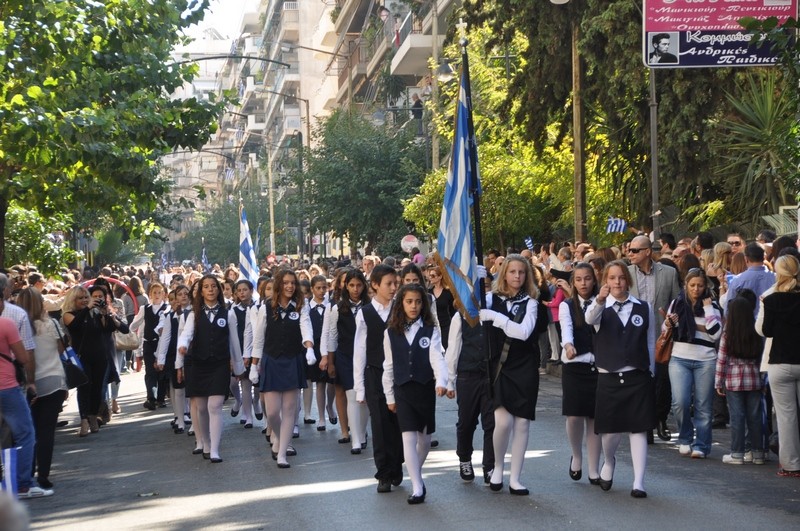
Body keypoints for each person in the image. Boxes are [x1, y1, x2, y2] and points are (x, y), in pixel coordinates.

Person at [585, 260, 656, 498]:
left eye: (622, 277)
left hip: (637, 375)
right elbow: (589, 320)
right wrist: (600, 300)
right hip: (609, 377)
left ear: (628, 280)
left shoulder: (643, 307)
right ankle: (609, 461)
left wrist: (651, 371)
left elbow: (649, 341)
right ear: (605, 281)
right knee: (611, 433)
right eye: (612, 277)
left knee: (639, 430)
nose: (617, 282)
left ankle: (639, 481)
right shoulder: (599, 307)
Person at [478, 254, 546, 496]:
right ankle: (498, 467)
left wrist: (495, 318)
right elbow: (466, 312)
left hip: (525, 366)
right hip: (500, 366)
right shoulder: (488, 299)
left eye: (522, 272)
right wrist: (472, 282)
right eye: (512, 272)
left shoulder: (532, 303)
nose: (517, 276)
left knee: (522, 424)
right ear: (503, 273)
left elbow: (523, 332)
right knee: (503, 422)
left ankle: (516, 478)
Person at [382, 283, 448, 504]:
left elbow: (437, 357)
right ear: (401, 303)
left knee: (425, 440)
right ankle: (417, 487)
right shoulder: (390, 332)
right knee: (408, 437)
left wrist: (442, 381)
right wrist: (389, 396)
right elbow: (388, 367)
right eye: (409, 301)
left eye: (418, 302)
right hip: (402, 389)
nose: (414, 306)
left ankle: (414, 472)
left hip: (424, 388)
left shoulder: (431, 330)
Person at [177, 275, 245, 463]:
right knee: (201, 408)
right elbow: (186, 334)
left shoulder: (228, 313)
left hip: (219, 364)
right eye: (206, 287)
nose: (210, 289)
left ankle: (215, 449)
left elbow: (234, 343)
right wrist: (182, 346)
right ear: (201, 291)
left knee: (214, 406)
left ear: (219, 289)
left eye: (214, 286)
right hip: (199, 364)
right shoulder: (194, 314)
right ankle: (205, 442)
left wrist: (238, 368)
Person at [250, 269, 315, 468]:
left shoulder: (300, 307)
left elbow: (306, 328)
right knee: (271, 413)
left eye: (292, 283)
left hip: (292, 359)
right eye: (285, 283)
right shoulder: (266, 308)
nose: (289, 286)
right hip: (272, 360)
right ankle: (278, 438)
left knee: (289, 410)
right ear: (279, 285)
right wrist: (254, 365)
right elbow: (259, 339)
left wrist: (309, 347)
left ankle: (282, 453)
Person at [663, 268, 723, 458]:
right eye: (692, 285)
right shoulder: (677, 303)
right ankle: (685, 438)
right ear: (685, 285)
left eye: (700, 285)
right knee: (680, 402)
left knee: (703, 406)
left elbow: (715, 334)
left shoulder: (712, 305)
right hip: (680, 357)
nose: (696, 289)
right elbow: (665, 329)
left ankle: (702, 445)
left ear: (705, 286)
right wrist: (669, 322)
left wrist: (707, 309)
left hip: (705, 359)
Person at [353, 264, 402, 493]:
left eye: (395, 283)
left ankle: (397, 463)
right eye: (388, 284)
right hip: (375, 372)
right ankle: (383, 472)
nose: (393, 288)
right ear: (375, 285)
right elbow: (360, 349)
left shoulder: (401, 309)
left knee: (398, 422)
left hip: (399, 374)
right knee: (380, 423)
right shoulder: (365, 313)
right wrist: (359, 387)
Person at [627, 235, 680, 442]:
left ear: (647, 251)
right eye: (629, 250)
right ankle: (644, 424)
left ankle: (660, 418)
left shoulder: (668, 273)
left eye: (634, 250)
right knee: (639, 380)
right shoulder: (626, 273)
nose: (630, 254)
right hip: (634, 335)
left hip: (662, 335)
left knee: (662, 380)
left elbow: (676, 302)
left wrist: (672, 319)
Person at [0, 298, 52, 499]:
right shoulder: (6, 324)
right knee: (25, 433)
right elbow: (23, 357)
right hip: (6, 386)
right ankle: (23, 484)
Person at [17, 288, 68, 493]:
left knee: (30, 432)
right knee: (47, 431)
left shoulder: (19, 327)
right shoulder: (52, 324)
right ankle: (44, 474)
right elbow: (62, 350)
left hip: (29, 383)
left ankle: (27, 474)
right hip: (54, 379)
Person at [63, 285, 128, 436]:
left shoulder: (96, 313)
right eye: (81, 298)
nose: (85, 300)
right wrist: (87, 309)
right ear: (73, 300)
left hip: (100, 357)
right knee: (84, 388)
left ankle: (92, 415)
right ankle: (84, 419)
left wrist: (106, 314)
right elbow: (75, 325)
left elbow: (111, 328)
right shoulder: (69, 314)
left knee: (98, 389)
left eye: (87, 297)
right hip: (82, 357)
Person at [756, 255, 800, 477]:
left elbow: (766, 331)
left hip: (779, 362)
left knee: (786, 417)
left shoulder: (771, 299)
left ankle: (790, 464)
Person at [558, 263, 602, 485]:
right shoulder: (567, 305)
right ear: (573, 283)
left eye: (587, 278)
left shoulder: (603, 302)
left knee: (595, 419)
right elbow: (566, 327)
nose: (583, 283)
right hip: (575, 365)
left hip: (598, 366)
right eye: (578, 279)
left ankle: (594, 468)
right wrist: (568, 345)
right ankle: (576, 454)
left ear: (594, 280)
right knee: (574, 416)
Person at [715, 290, 764, 465]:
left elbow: (722, 360)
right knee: (755, 416)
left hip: (733, 379)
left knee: (737, 417)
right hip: (754, 379)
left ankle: (737, 453)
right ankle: (758, 453)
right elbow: (761, 359)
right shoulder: (757, 334)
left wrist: (718, 382)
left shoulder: (728, 335)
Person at [324, 269, 371, 454]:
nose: (355, 289)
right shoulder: (337, 308)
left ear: (364, 286)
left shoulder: (370, 306)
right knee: (351, 394)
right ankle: (356, 439)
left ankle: (362, 430)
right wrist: (330, 361)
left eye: (359, 285)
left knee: (364, 396)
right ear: (345, 286)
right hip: (345, 356)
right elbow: (332, 337)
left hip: (367, 356)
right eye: (351, 285)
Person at [155, 284, 192, 434]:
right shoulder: (170, 316)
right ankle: (180, 418)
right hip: (174, 354)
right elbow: (165, 338)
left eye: (186, 293)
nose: (183, 296)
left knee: (191, 387)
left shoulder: (194, 313)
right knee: (178, 387)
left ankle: (189, 414)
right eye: (180, 294)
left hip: (191, 354)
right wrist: (160, 358)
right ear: (175, 298)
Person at [130, 282, 168, 410]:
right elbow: (135, 324)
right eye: (154, 292)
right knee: (150, 371)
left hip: (162, 342)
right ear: (150, 294)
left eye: (159, 292)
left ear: (163, 294)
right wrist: (129, 331)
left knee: (162, 371)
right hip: (149, 342)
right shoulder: (144, 309)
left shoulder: (167, 309)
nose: (157, 295)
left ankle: (161, 398)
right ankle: (151, 398)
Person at [305, 275, 331, 431]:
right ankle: (318, 416)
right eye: (318, 288)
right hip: (314, 347)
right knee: (316, 382)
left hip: (328, 347)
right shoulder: (306, 307)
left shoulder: (331, 305)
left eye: (324, 288)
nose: (321, 291)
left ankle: (327, 409)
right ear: (312, 289)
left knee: (329, 383)